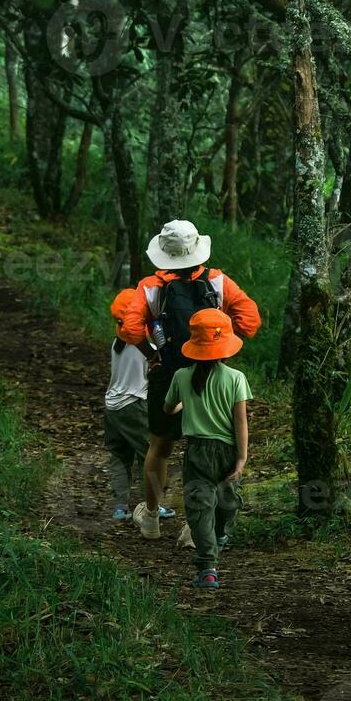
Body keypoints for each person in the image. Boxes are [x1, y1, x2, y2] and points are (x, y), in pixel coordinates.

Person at [119, 220, 261, 539]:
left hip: (169, 376)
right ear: (198, 250)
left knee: (160, 448)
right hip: (214, 377)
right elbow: (250, 320)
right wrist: (220, 345)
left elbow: (128, 328)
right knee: (206, 448)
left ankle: (152, 517)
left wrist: (151, 354)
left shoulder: (151, 287)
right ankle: (194, 525)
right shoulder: (220, 283)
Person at [163, 308, 250, 589]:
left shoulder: (181, 377)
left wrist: (183, 404)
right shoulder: (235, 378)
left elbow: (168, 408)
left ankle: (207, 568)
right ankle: (222, 534)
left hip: (197, 452)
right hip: (226, 449)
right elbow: (240, 422)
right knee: (227, 500)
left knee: (200, 508)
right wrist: (241, 457)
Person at [102, 289, 175, 522]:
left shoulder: (117, 344)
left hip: (112, 407)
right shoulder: (147, 351)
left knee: (119, 456)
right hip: (133, 406)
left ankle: (120, 507)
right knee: (152, 453)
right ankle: (155, 505)